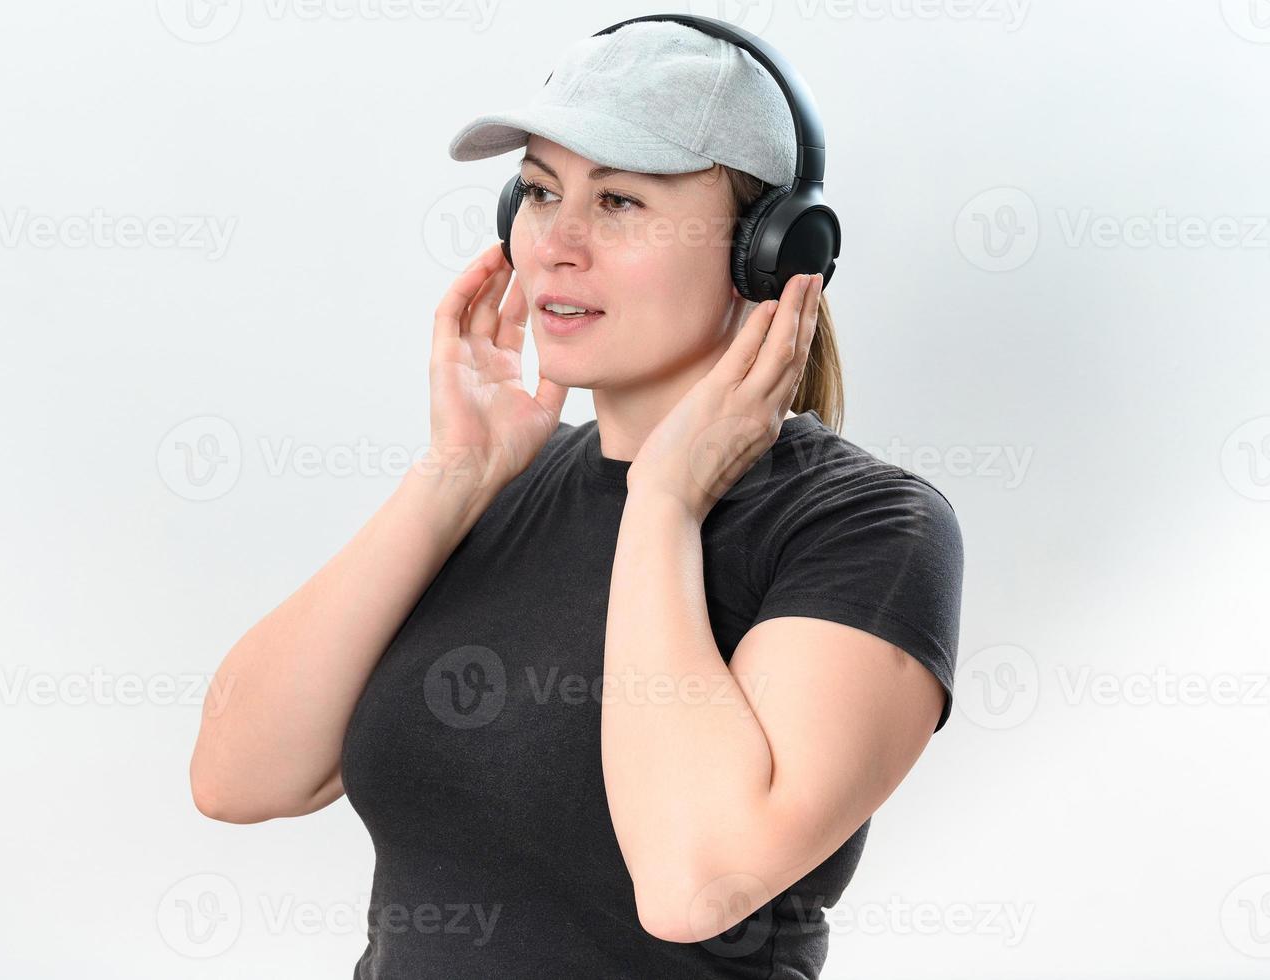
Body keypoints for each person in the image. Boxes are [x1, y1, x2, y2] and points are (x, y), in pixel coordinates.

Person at [189, 19, 965, 979]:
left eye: (622, 202)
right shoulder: (494, 485)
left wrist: (664, 504)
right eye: (542, 191)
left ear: (769, 253)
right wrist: (453, 477)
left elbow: (693, 885)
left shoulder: (864, 529)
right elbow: (236, 778)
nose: (555, 244)